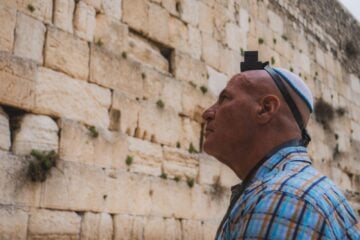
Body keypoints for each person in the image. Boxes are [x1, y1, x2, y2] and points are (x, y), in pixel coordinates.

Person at [202, 51, 360, 239]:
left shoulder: (282, 198)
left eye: (225, 98)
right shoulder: (291, 189)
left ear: (265, 108)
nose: (207, 113)